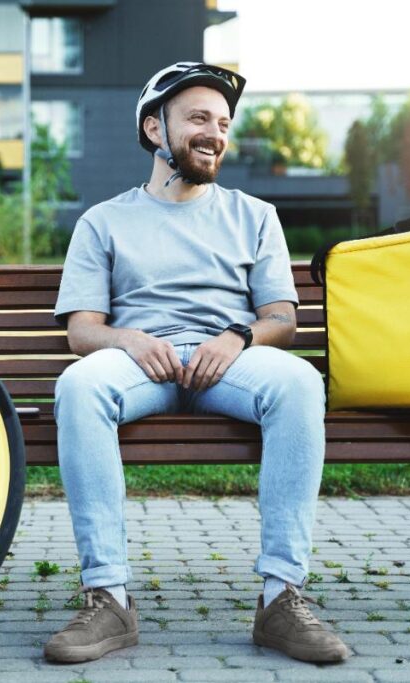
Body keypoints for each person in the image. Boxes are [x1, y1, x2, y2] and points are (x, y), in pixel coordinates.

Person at [43, 62, 349, 665]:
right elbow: (82, 331)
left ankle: (281, 597)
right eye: (198, 119)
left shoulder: (255, 215)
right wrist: (130, 341)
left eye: (223, 122)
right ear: (155, 129)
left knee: (299, 384)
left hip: (227, 363)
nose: (214, 133)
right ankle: (107, 597)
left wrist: (236, 337)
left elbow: (282, 321)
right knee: (79, 387)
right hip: (141, 366)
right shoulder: (102, 220)